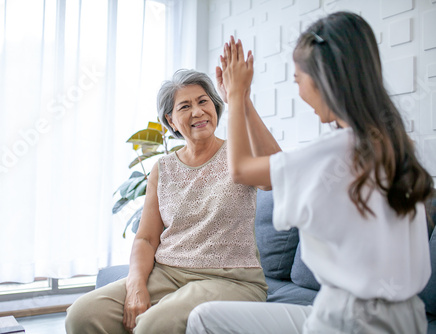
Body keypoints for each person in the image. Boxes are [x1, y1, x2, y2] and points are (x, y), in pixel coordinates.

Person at [187, 11, 434, 334]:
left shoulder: (340, 149)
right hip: (402, 320)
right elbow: (278, 170)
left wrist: (233, 97)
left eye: (298, 80)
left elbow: (242, 171)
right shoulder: (391, 145)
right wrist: (244, 102)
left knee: (202, 319)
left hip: (345, 321)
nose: (300, 92)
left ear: (323, 81)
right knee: (206, 315)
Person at [65, 69, 274, 334]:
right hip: (167, 273)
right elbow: (146, 239)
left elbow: (272, 178)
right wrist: (136, 284)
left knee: (154, 325)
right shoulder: (163, 169)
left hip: (231, 279)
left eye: (203, 101)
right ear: (171, 121)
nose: (197, 112)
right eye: (185, 106)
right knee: (82, 315)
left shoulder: (237, 153)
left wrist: (240, 99)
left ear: (216, 107)